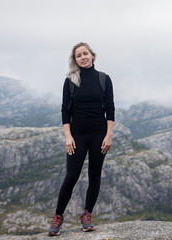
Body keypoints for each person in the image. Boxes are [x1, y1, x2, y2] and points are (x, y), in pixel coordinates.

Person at [48, 42, 115, 236]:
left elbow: (109, 108)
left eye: (85, 53)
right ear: (75, 60)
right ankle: (58, 217)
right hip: (77, 135)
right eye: (79, 55)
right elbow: (64, 110)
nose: (83, 57)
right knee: (71, 176)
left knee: (95, 175)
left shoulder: (104, 79)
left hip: (99, 135)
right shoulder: (70, 81)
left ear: (92, 56)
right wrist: (68, 136)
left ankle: (86, 215)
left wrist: (108, 135)